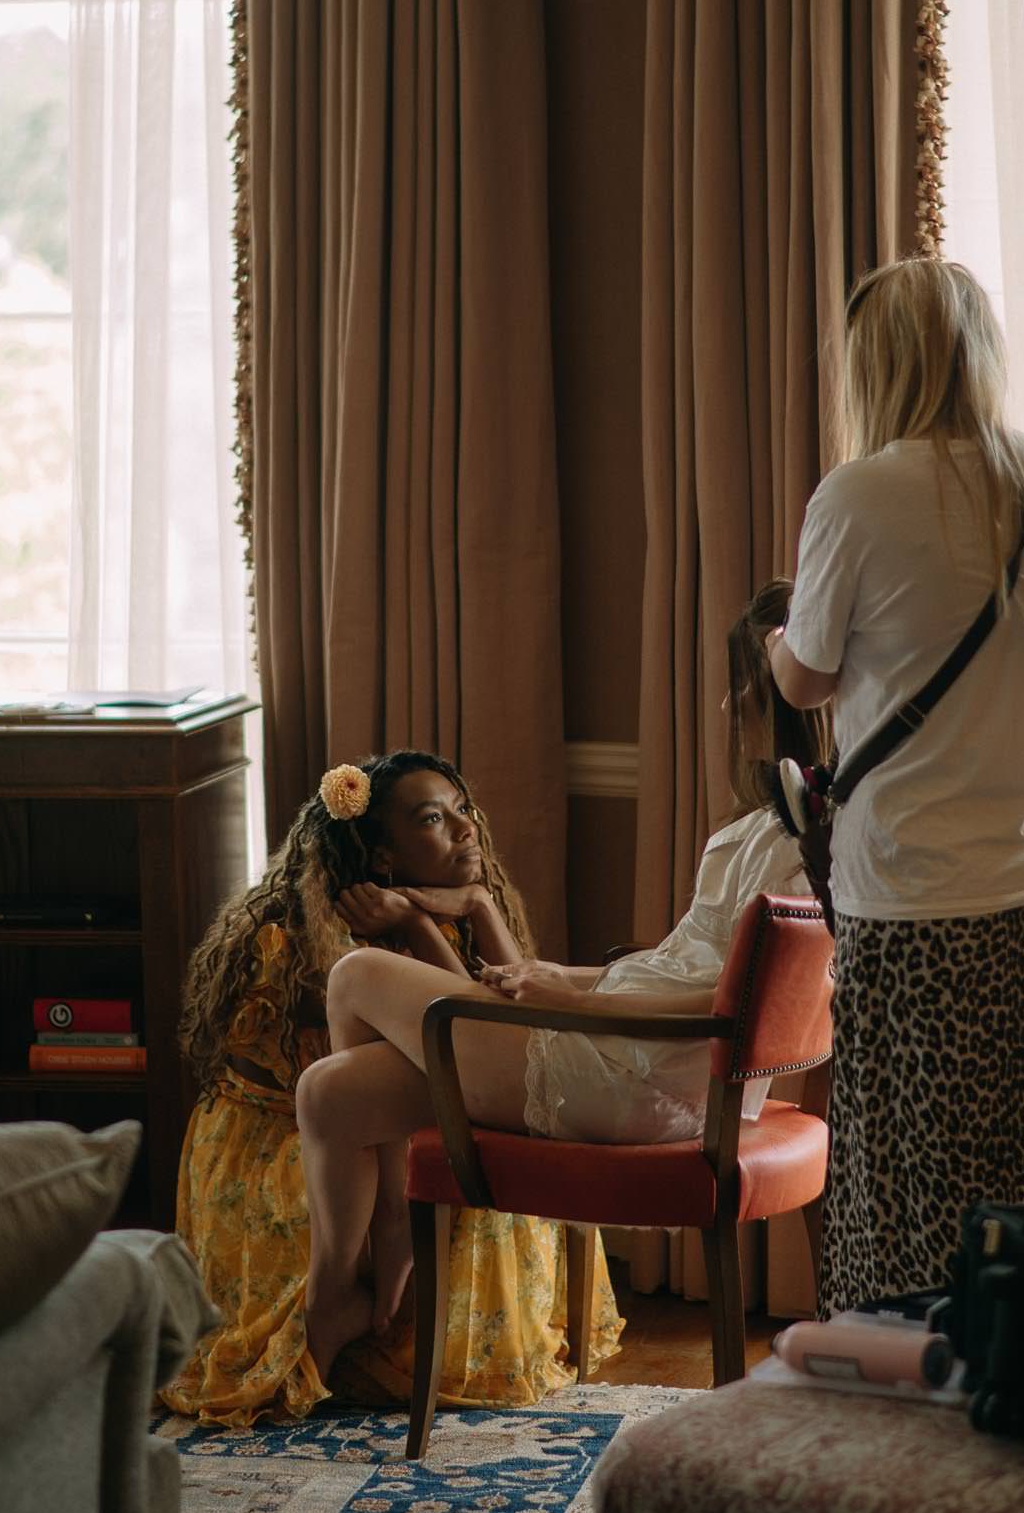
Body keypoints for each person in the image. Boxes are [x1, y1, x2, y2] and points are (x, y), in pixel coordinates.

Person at [295, 585, 830, 1382]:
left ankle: (369, 1269)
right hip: (643, 1051)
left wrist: (578, 998)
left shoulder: (805, 842)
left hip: (644, 1073)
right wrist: (559, 977)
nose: (727, 701)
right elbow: (687, 965)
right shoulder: (773, 830)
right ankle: (367, 1288)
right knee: (330, 1094)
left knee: (357, 973)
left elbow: (741, 1002)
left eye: (742, 683)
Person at [767, 257, 1024, 1316]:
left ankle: (911, 1399)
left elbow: (808, 674)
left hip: (917, 888)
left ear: (875, 367)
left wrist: (784, 639)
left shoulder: (859, 496)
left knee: (912, 1176)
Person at [161, 748, 622, 1425]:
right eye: (435, 819)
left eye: (463, 810)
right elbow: (460, 1045)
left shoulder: (435, 915)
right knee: (434, 1137)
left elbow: (519, 1035)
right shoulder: (310, 944)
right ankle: (345, 1286)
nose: (466, 830)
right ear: (381, 856)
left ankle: (370, 1286)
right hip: (302, 1131)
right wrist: (420, 924)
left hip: (403, 1112)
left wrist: (477, 907)